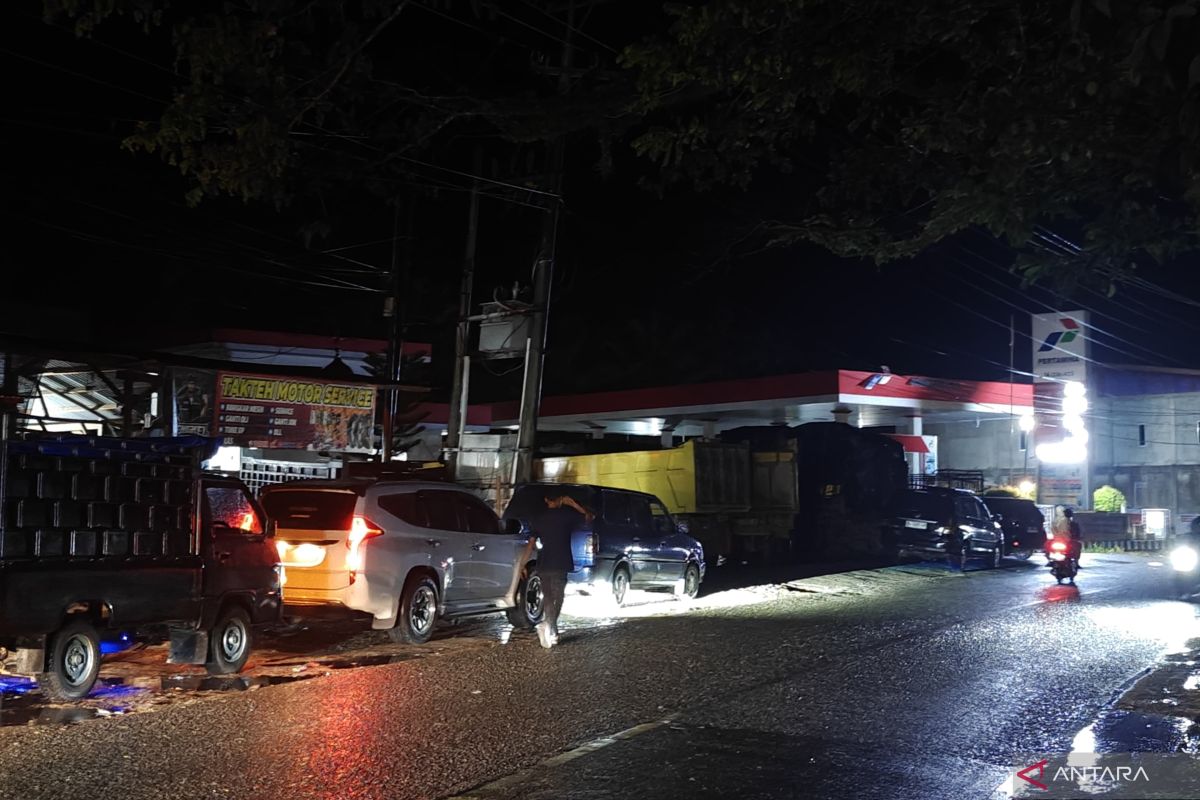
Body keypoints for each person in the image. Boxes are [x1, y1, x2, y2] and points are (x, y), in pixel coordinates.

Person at [519, 493, 593, 649]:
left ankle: (550, 627)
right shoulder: (567, 515)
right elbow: (588, 517)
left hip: (544, 562)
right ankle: (550, 626)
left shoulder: (539, 518)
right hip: (561, 562)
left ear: (546, 500)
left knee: (548, 596)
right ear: (561, 499)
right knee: (558, 597)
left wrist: (522, 564)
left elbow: (531, 543)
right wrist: (573, 504)